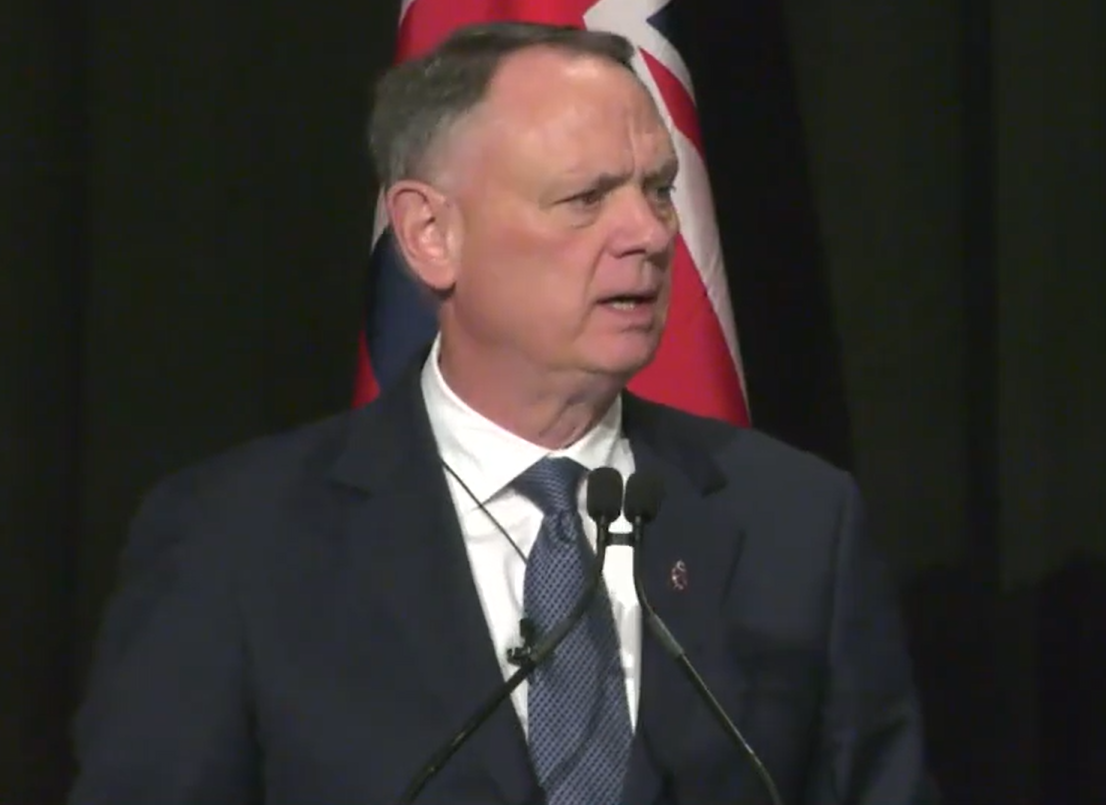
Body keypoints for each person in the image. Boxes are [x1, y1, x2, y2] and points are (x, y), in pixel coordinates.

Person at [68, 21, 936, 805]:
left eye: (659, 188)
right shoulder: (235, 541)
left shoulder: (797, 523)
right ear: (430, 234)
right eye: (586, 197)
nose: (649, 233)